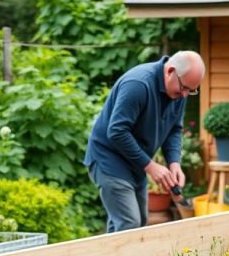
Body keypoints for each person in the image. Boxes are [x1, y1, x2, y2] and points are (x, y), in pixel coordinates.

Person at [84, 51, 205, 232]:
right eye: (185, 88)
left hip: (135, 163)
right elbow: (117, 131)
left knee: (140, 223)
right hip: (109, 160)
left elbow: (173, 130)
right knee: (129, 224)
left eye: (191, 90)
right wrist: (151, 166)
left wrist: (174, 163)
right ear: (170, 71)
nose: (185, 95)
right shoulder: (138, 84)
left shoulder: (178, 92)